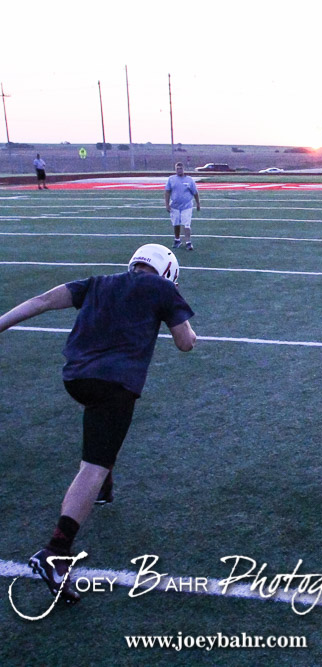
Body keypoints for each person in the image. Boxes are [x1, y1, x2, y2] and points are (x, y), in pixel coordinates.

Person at [0, 244, 196, 605]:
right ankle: (56, 552)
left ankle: (105, 486)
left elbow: (43, 300)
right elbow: (185, 343)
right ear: (168, 272)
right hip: (116, 382)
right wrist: (186, 326)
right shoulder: (163, 288)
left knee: (101, 437)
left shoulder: (99, 282)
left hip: (76, 377)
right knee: (93, 463)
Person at [165, 162, 201, 251]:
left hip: (187, 206)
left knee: (186, 224)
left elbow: (195, 193)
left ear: (183, 169)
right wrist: (166, 204)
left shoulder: (189, 180)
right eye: (177, 169)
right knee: (176, 224)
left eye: (180, 168)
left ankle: (188, 242)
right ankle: (177, 240)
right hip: (174, 206)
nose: (179, 170)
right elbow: (167, 192)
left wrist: (198, 203)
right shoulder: (171, 179)